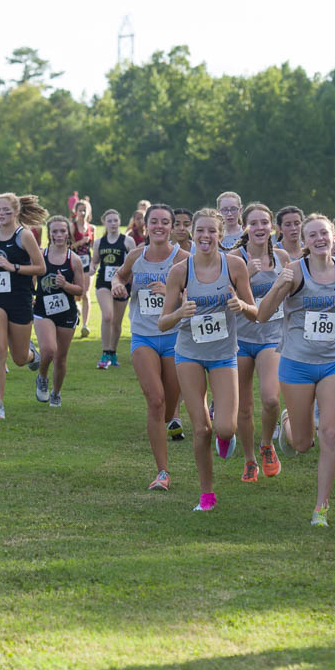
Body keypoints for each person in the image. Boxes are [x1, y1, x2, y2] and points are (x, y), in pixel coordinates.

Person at [257, 213, 335, 527]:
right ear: (305, 242)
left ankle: (321, 508)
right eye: (313, 235)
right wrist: (277, 287)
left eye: (324, 234)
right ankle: (287, 420)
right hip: (296, 364)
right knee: (302, 443)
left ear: (334, 237)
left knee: (330, 433)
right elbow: (263, 315)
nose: (320, 239)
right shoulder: (294, 271)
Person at [159, 208, 258, 512]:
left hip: (224, 355)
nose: (205, 236)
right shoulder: (180, 271)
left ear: (220, 234)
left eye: (211, 231)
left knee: (225, 429)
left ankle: (224, 438)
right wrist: (180, 312)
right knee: (201, 428)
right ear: (192, 233)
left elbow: (255, 314)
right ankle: (207, 494)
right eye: (200, 231)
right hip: (188, 353)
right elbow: (163, 323)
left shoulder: (235, 266)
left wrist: (240, 304)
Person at [112, 204, 190, 490]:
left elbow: (198, 296)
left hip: (175, 337)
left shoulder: (184, 260)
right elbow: (119, 275)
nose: (159, 226)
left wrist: (174, 295)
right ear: (146, 226)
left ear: (172, 227)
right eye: (154, 221)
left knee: (168, 410)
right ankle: (162, 472)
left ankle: (170, 422)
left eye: (165, 222)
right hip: (143, 336)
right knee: (155, 401)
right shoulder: (137, 256)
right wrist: (117, 285)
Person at [0, 193, 47, 419]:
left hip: (20, 297)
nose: (2, 214)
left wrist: (12, 266)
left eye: (6, 210)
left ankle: (33, 355)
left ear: (16, 212)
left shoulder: (24, 235)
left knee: (19, 357)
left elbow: (41, 268)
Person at [229, 202, 289, 483]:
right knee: (243, 406)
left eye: (265, 223)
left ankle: (267, 445)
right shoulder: (233, 259)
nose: (260, 228)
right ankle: (249, 459)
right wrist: (247, 278)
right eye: (254, 223)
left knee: (271, 398)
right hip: (240, 338)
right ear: (245, 227)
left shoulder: (282, 258)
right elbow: (220, 295)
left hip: (271, 337)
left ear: (272, 227)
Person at [33, 215, 86, 406]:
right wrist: (31, 294)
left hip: (66, 312)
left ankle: (56, 392)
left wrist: (65, 285)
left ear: (68, 233)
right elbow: (32, 277)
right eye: (54, 231)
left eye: (62, 231)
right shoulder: (41, 255)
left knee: (61, 358)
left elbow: (80, 290)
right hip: (43, 310)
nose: (59, 235)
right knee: (48, 350)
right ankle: (42, 377)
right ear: (50, 234)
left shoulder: (75, 260)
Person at [92, 209, 135, 369]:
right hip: (103, 283)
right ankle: (105, 353)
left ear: (120, 222)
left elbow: (135, 263)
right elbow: (94, 261)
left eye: (115, 220)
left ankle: (112, 352)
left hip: (123, 284)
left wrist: (124, 269)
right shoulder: (99, 242)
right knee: (108, 316)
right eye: (109, 221)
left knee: (116, 322)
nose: (113, 224)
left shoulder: (128, 241)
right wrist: (91, 268)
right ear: (104, 222)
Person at [71, 201, 94, 338]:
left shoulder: (91, 228)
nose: (83, 213)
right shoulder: (72, 227)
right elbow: (68, 247)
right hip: (74, 263)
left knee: (85, 293)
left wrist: (94, 264)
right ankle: (76, 308)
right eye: (80, 210)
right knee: (75, 292)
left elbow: (92, 248)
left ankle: (85, 325)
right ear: (76, 211)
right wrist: (81, 242)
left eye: (85, 210)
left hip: (87, 264)